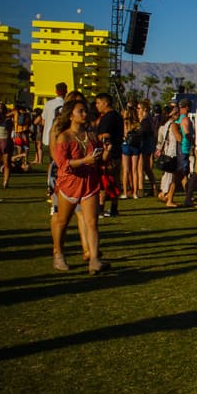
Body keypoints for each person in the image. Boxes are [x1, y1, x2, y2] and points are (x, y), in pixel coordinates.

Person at [49, 98, 109, 274]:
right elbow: (62, 164)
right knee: (63, 221)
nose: (84, 114)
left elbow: (99, 160)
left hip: (89, 183)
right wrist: (85, 160)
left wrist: (105, 154)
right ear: (70, 116)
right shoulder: (64, 137)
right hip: (69, 184)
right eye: (80, 111)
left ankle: (94, 260)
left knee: (92, 222)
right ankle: (58, 254)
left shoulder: (91, 136)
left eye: (85, 111)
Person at [94, 93, 124, 217]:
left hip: (108, 154)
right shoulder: (118, 116)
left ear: (105, 103)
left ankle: (101, 208)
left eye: (98, 103)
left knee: (104, 181)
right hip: (117, 152)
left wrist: (96, 138)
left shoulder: (107, 118)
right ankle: (114, 208)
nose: (96, 106)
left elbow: (105, 136)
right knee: (115, 181)